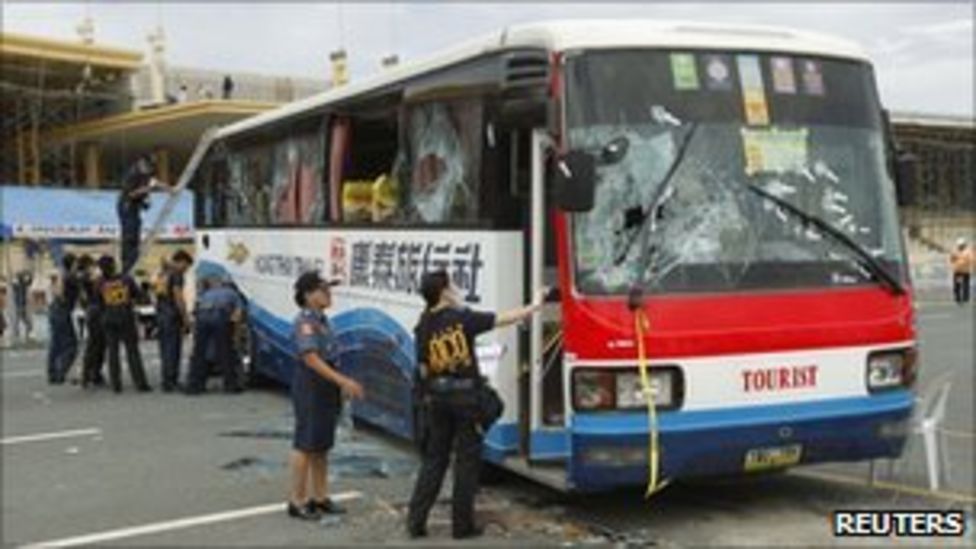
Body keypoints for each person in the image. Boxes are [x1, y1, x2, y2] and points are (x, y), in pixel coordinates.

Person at [406, 271, 548, 539]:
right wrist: (536, 304)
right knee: (467, 463)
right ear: (444, 291)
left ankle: (416, 521)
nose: (456, 289)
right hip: (466, 401)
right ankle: (462, 526)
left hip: (436, 400)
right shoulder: (462, 319)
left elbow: (423, 368)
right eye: (452, 285)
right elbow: (505, 318)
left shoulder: (423, 324)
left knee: (434, 460)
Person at [287, 271, 364, 520]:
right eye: (323, 290)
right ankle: (297, 501)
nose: (329, 294)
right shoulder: (305, 322)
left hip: (325, 386)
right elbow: (311, 358)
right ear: (308, 295)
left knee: (321, 445)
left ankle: (319, 498)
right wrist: (342, 381)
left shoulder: (323, 320)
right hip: (311, 386)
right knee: (305, 444)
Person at [96, 255, 151, 393]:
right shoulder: (126, 279)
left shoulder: (100, 282)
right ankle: (140, 383)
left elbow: (97, 302)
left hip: (108, 318)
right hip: (125, 317)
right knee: (132, 351)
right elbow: (138, 296)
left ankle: (116, 384)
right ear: (114, 265)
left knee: (113, 352)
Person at [184, 274, 245, 394]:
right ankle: (230, 385)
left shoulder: (208, 293)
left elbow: (196, 309)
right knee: (225, 351)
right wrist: (235, 338)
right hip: (219, 317)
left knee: (199, 352)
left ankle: (195, 386)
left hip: (202, 317)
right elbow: (237, 316)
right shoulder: (234, 295)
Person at [118, 155, 172, 274]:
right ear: (141, 163)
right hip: (127, 208)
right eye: (148, 166)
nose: (150, 169)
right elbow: (131, 194)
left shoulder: (145, 175)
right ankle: (128, 267)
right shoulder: (132, 175)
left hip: (134, 209)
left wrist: (170, 189)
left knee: (135, 236)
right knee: (129, 237)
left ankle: (134, 263)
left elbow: (155, 183)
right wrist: (146, 190)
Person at [156, 250, 193, 392]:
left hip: (161, 314)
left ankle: (166, 380)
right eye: (187, 265)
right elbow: (178, 296)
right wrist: (185, 317)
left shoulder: (163, 273)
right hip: (172, 316)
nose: (186, 269)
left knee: (165, 349)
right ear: (181, 261)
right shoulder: (177, 275)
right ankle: (172, 381)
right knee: (173, 349)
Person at [47, 254, 81, 384]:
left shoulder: (63, 275)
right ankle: (61, 372)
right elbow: (60, 292)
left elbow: (56, 290)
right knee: (71, 345)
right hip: (62, 311)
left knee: (56, 344)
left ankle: (53, 374)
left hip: (55, 310)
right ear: (72, 264)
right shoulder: (71, 277)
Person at [78, 255, 106, 387]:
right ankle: (92, 374)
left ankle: (90, 374)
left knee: (94, 345)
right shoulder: (88, 278)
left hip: (90, 310)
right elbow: (97, 289)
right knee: (97, 345)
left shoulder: (83, 278)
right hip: (97, 311)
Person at [949, 237, 973, 305]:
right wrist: (954, 258)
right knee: (957, 285)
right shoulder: (955, 251)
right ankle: (958, 298)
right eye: (960, 245)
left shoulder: (968, 251)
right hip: (958, 271)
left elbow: (970, 260)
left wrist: (962, 259)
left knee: (965, 285)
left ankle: (965, 298)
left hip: (965, 272)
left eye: (962, 245)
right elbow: (951, 259)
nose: (961, 246)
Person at [11, 269, 34, 341]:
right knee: (18, 320)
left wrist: (28, 273)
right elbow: (11, 282)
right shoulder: (16, 285)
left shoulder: (23, 284)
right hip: (18, 305)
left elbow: (30, 281)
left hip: (22, 305)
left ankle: (27, 332)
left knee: (23, 319)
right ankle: (16, 333)